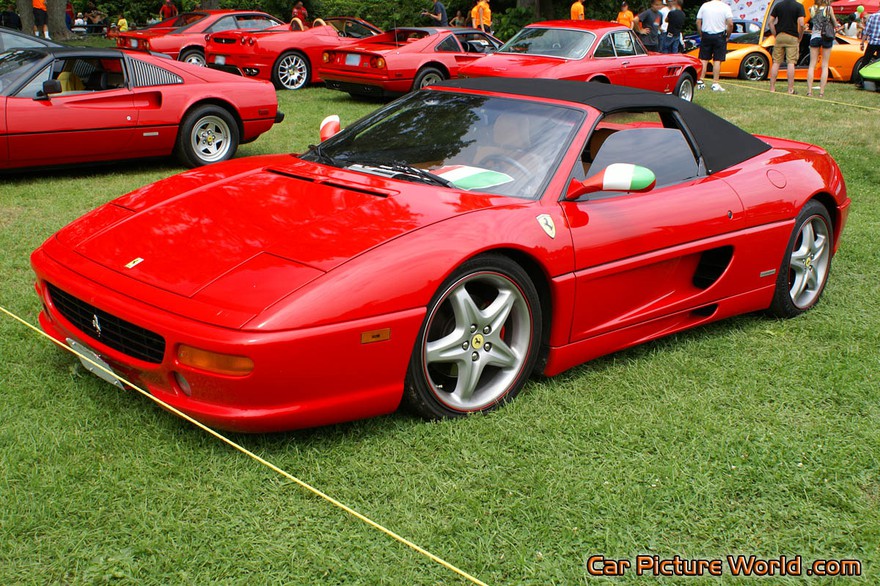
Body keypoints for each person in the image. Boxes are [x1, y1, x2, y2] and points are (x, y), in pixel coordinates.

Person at [768, 0, 804, 93]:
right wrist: (800, 36)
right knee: (791, 62)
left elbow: (770, 22)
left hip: (780, 36)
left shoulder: (778, 5)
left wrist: (775, 34)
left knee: (776, 62)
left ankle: (772, 88)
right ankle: (790, 89)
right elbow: (801, 23)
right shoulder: (799, 6)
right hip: (792, 36)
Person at [696, 0, 733, 91]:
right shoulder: (725, 7)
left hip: (706, 35)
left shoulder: (705, 5)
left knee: (704, 59)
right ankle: (715, 83)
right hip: (720, 36)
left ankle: (700, 82)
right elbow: (730, 24)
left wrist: (701, 34)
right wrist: (728, 36)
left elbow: (698, 22)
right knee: (717, 60)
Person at [805, 0, 839, 96]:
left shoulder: (811, 9)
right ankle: (821, 92)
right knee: (825, 65)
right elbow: (835, 23)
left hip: (814, 36)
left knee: (812, 65)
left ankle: (809, 91)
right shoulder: (828, 9)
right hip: (826, 36)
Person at [861, 9, 880, 73]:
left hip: (872, 43)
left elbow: (866, 31)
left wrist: (862, 43)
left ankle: (860, 77)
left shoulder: (872, 16)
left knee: (865, 61)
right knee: (878, 63)